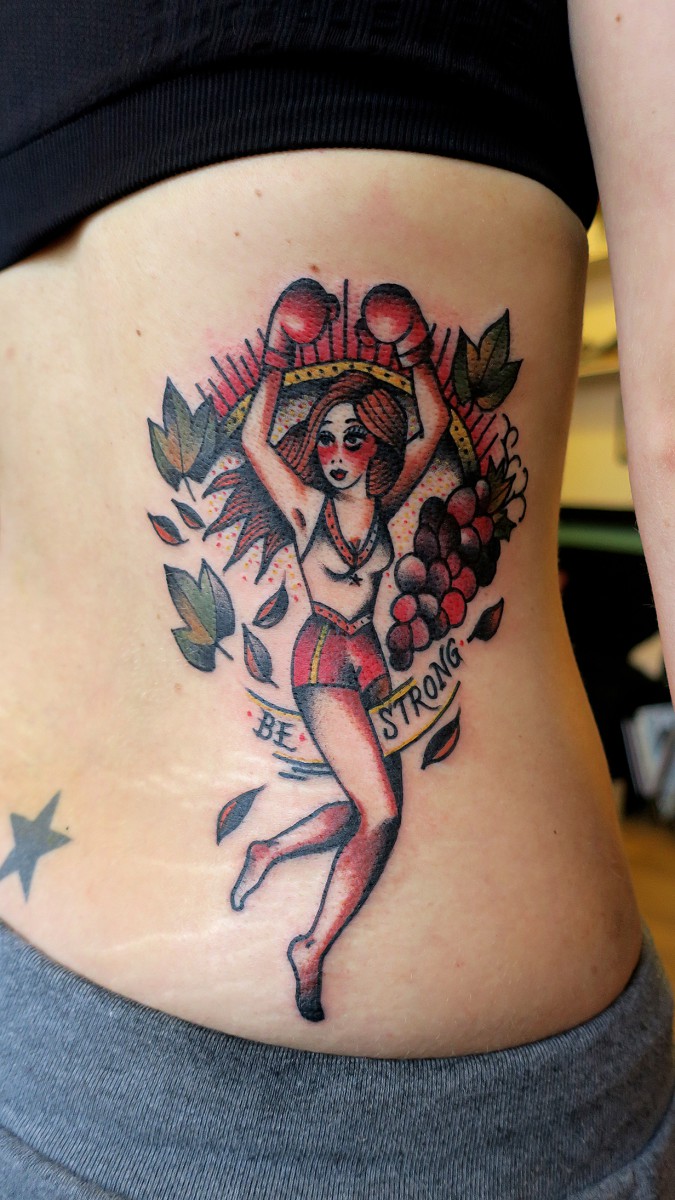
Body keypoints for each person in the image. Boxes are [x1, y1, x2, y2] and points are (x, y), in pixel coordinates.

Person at [0, 2, 673, 1197]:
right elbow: (264, 436)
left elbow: (435, 431)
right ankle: (311, 940)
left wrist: (408, 366)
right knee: (383, 813)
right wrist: (282, 359)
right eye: (338, 438)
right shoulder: (306, 507)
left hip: (45, 986)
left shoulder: (382, 487)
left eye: (366, 435)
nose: (353, 448)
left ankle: (272, 849)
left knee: (370, 806)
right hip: (321, 676)